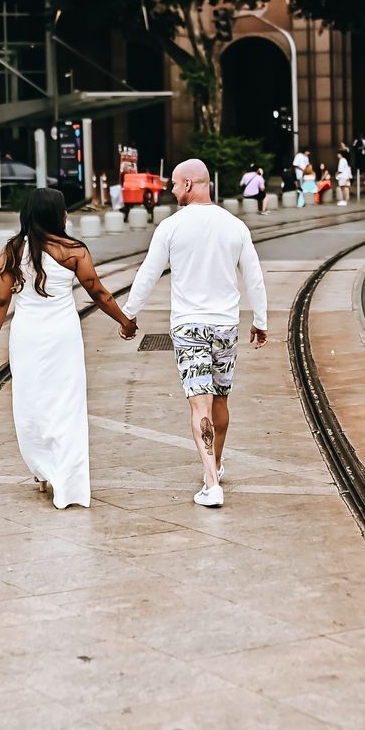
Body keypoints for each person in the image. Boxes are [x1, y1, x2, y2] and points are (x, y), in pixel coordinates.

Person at [125, 159, 269, 508]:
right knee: (220, 399)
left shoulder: (171, 227)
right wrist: (260, 321)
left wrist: (128, 315)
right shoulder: (234, 226)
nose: (171, 190)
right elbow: (254, 277)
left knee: (199, 402)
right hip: (225, 325)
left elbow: (148, 274)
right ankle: (215, 466)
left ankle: (211, 483)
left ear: (189, 184)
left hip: (189, 326)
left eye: (174, 184)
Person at [0, 188, 135, 509]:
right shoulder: (74, 251)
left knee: (31, 403)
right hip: (62, 337)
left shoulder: (12, 251)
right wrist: (124, 321)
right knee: (66, 405)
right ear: (57, 215)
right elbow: (99, 292)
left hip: (26, 337)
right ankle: (67, 480)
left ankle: (43, 470)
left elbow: (0, 300)